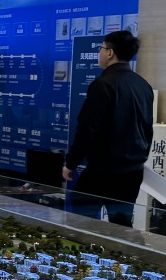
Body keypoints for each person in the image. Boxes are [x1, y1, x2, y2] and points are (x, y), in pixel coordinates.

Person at [62, 29, 154, 226]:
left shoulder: (103, 84)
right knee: (121, 224)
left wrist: (71, 163)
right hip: (133, 171)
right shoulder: (143, 85)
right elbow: (147, 128)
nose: (100, 53)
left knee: (81, 221)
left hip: (103, 170)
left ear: (110, 53)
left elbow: (88, 129)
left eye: (101, 48)